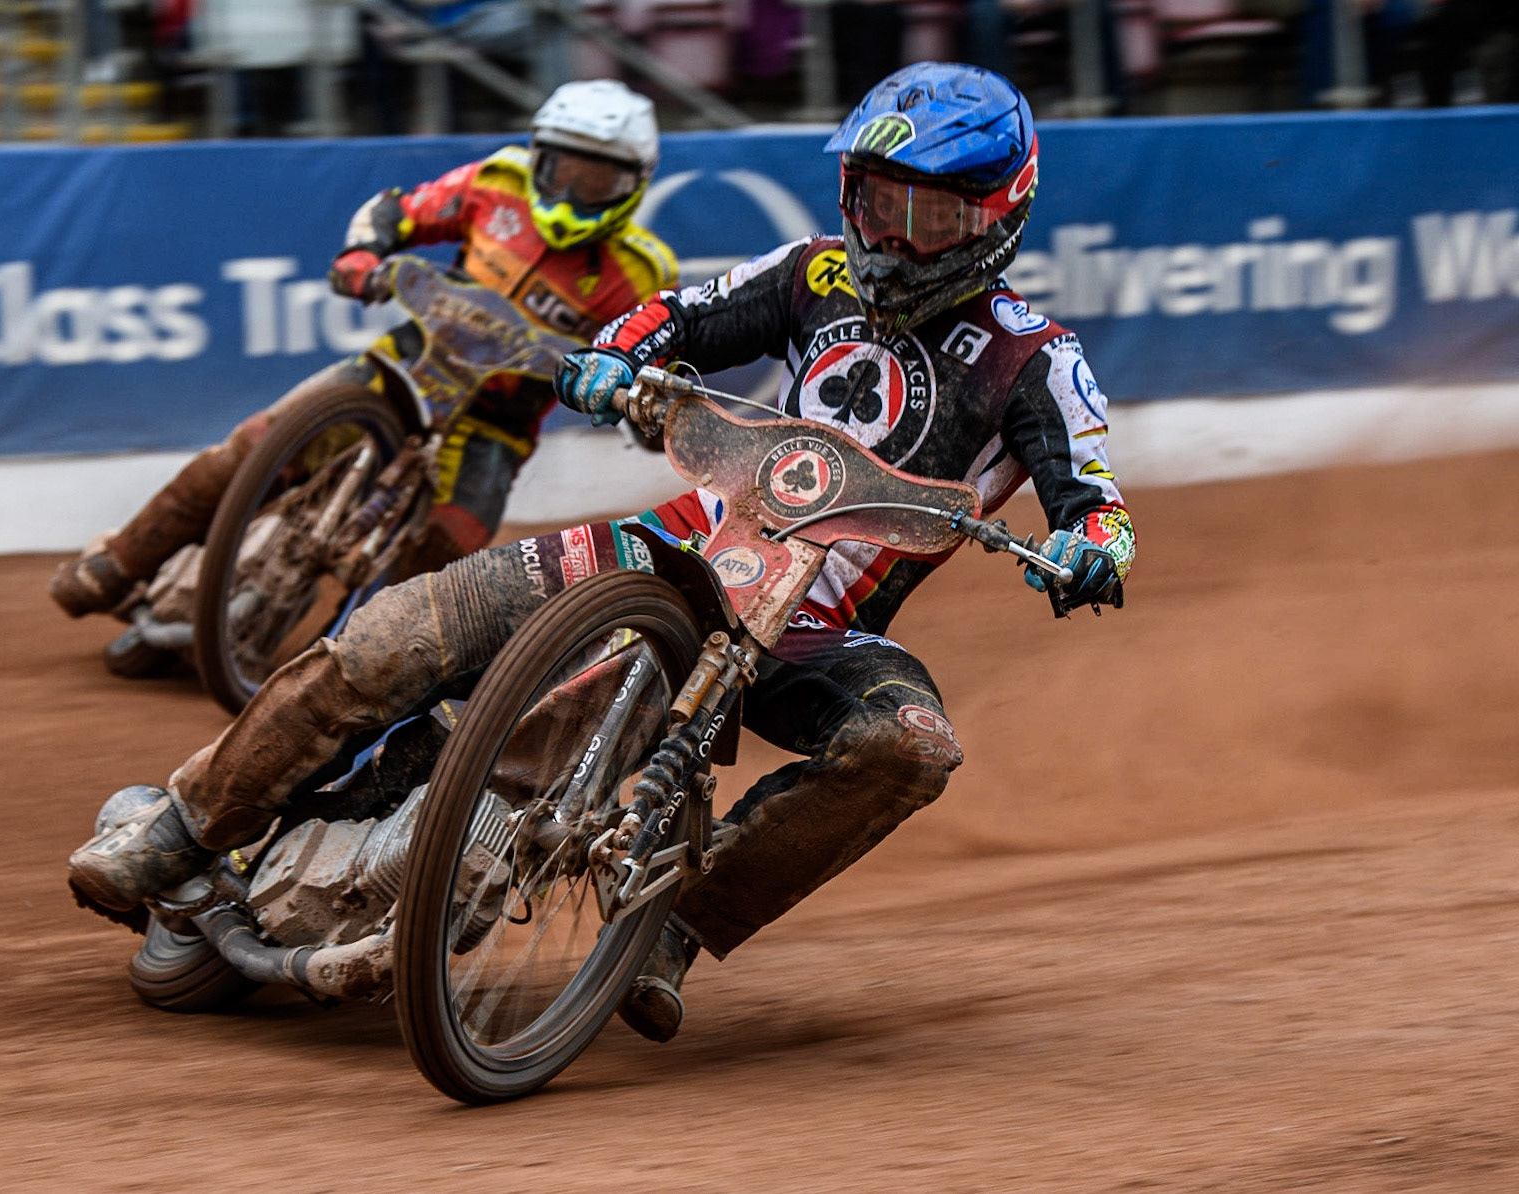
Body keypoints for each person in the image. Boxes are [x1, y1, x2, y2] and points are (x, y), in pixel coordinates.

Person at [67, 63, 1135, 1043]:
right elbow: (671, 317)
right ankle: (182, 828)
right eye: (873, 202)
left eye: (929, 213)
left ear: (999, 215)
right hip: (675, 549)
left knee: (910, 747)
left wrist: (1092, 547)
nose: (892, 237)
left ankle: (677, 923)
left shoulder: (1038, 359)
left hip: (821, 629)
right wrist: (608, 361)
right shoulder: (811, 274)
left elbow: (1095, 500)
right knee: (398, 630)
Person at [47, 78, 678, 621]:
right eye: (564, 168)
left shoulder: (643, 270)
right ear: (540, 157)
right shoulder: (498, 182)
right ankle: (119, 562)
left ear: (634, 184)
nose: (572, 189)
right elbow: (398, 212)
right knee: (252, 449)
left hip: (494, 425)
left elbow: (654, 362)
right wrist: (361, 256)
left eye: (595, 178)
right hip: (402, 368)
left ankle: (349, 664)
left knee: (444, 557)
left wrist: (648, 407)